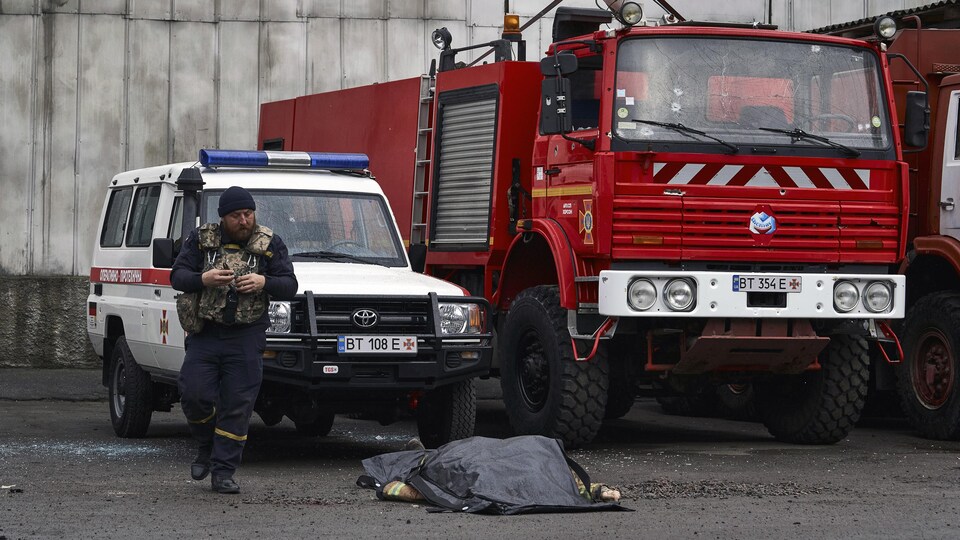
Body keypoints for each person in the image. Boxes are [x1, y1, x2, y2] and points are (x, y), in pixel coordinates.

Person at [171, 186, 298, 494]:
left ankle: (223, 471)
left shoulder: (270, 243)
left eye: (248, 214)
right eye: (236, 215)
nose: (244, 221)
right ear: (223, 218)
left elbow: (290, 285)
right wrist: (203, 279)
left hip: (246, 335)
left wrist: (263, 281)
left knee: (237, 406)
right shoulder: (201, 240)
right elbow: (177, 276)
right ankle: (206, 445)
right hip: (206, 334)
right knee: (193, 394)